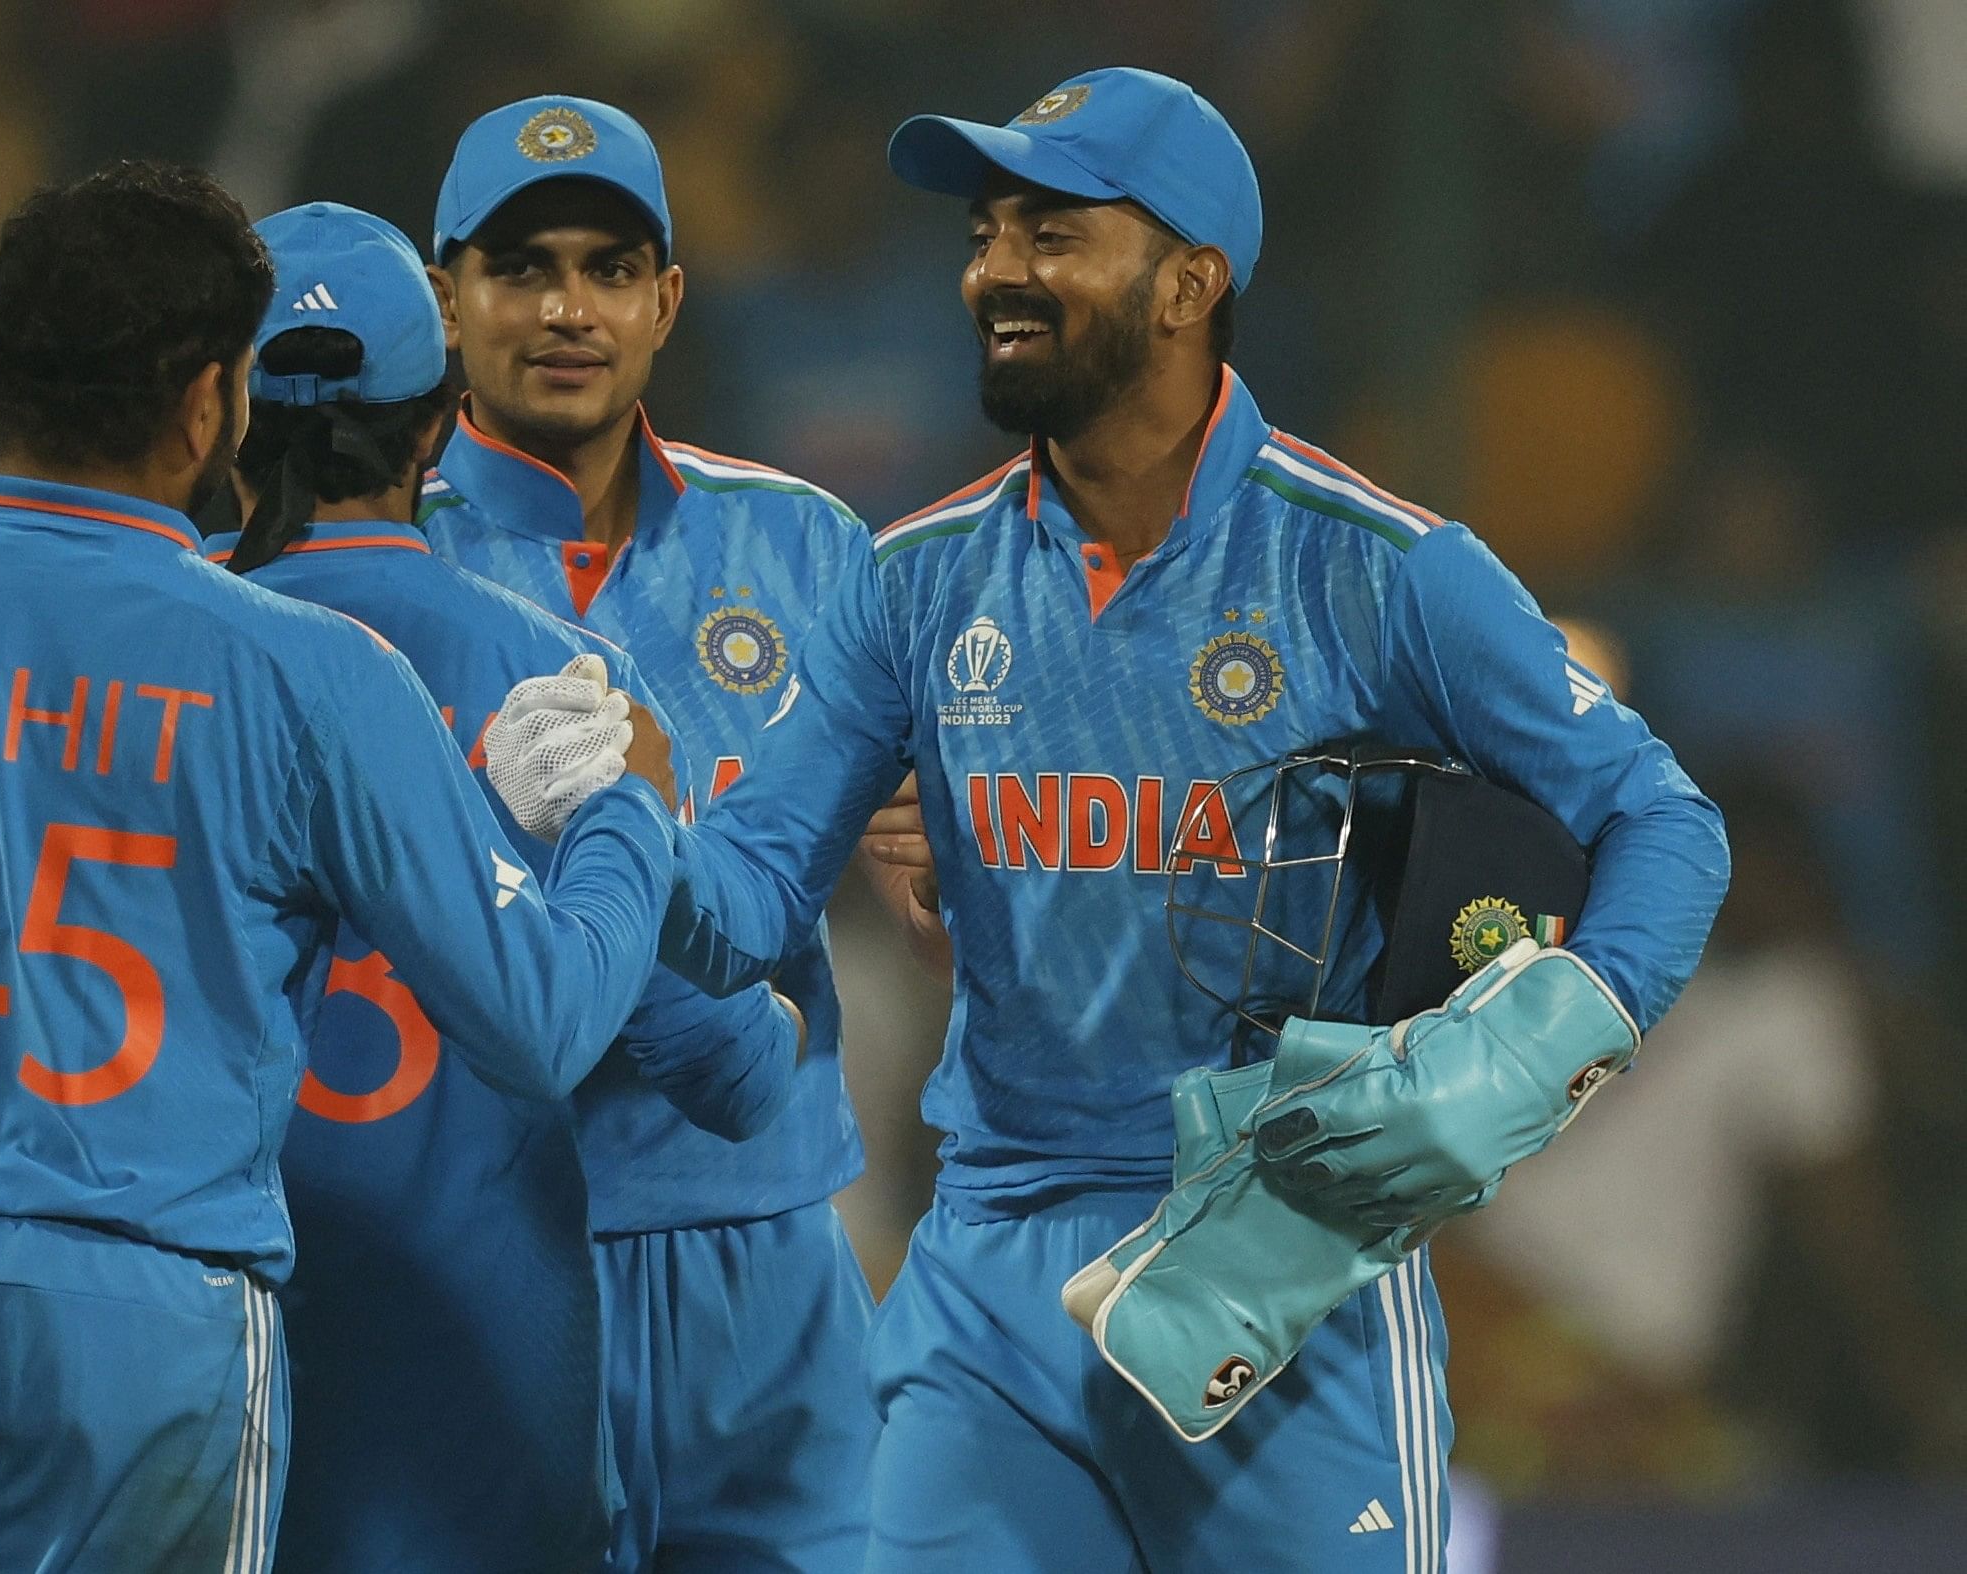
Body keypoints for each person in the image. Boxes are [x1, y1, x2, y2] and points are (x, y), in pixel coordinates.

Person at [491, 67, 1728, 1572]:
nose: (994, 269)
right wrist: (626, 814)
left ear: (1187, 283)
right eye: (986, 231)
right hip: (987, 1278)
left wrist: (1523, 1060)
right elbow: (750, 902)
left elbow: (1665, 824)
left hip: (1275, 1258)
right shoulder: (915, 577)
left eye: (1052, 232)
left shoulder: (1377, 566)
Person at [0, 162, 686, 1574]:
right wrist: (626, 812)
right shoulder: (306, 672)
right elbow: (537, 1019)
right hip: (132, 1308)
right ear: (210, 397)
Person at [211, 200, 805, 1573]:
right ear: (434, 426)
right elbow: (721, 1074)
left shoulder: (133, 654)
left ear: (222, 418)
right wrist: (760, 1022)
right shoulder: (555, 677)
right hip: (471, 1367)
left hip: (190, 1335)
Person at [419, 96, 878, 1571]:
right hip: (486, 1247)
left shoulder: (806, 543)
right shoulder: (375, 557)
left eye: (610, 268)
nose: (567, 308)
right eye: (521, 266)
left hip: (766, 1252)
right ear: (445, 295)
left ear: (667, 298)